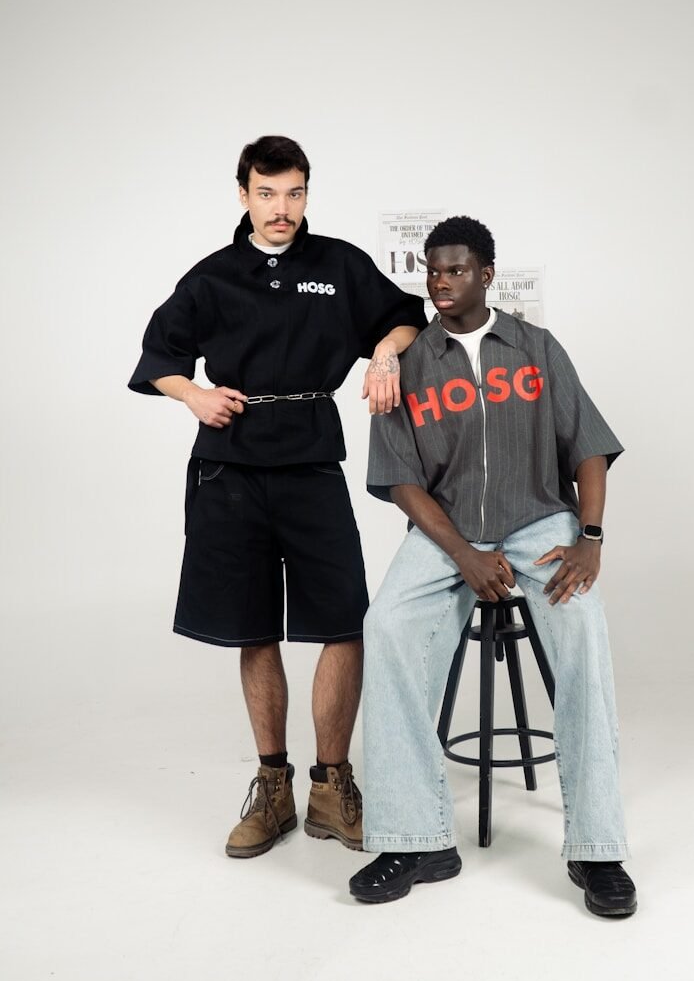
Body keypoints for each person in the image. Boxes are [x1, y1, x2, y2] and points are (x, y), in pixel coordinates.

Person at [128, 135, 425, 859]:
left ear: (306, 194)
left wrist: (386, 352)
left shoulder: (339, 265)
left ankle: (332, 785)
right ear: (244, 195)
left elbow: (404, 314)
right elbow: (158, 355)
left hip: (312, 461)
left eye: (293, 193)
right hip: (229, 469)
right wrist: (194, 395)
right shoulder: (213, 276)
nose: (280, 207)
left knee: (344, 621)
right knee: (252, 627)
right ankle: (273, 788)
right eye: (266, 193)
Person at [348, 215, 637, 917]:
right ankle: (416, 840)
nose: (440, 282)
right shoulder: (410, 362)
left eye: (455, 270)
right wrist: (463, 555)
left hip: (539, 522)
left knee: (583, 630)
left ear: (486, 274)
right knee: (385, 626)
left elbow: (587, 446)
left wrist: (591, 535)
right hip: (447, 532)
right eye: (432, 271)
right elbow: (402, 480)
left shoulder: (536, 347)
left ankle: (597, 848)